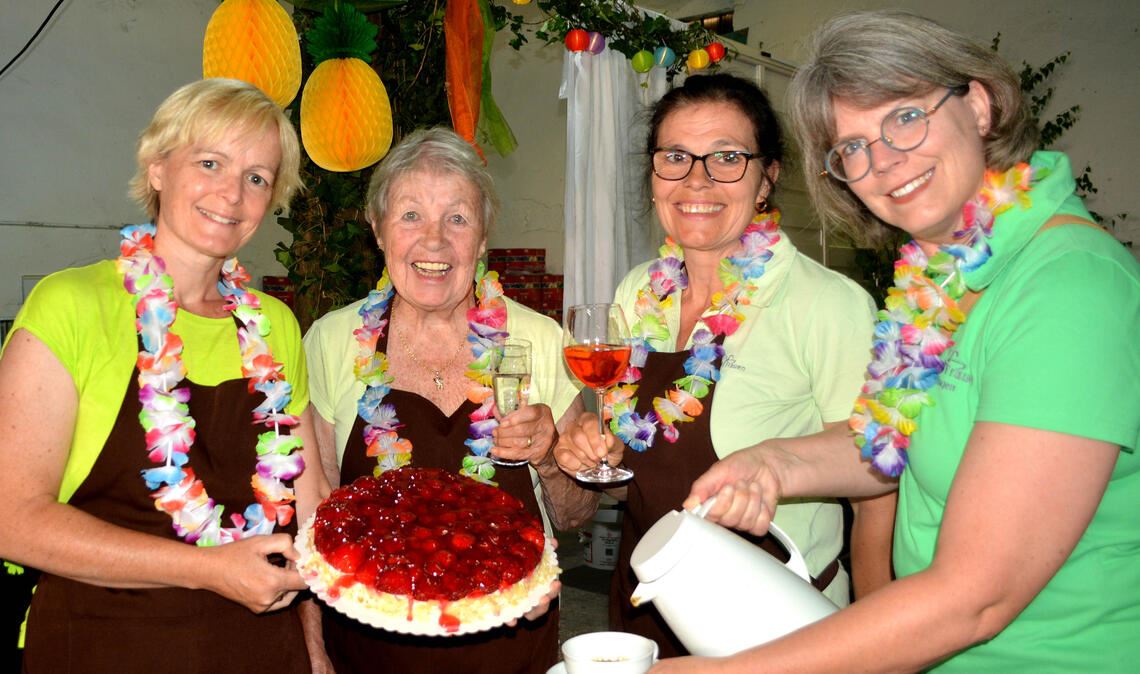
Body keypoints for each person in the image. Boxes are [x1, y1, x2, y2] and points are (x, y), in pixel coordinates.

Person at [665, 10, 1140, 673]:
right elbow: (887, 447)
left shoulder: (1068, 288)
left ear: (977, 105)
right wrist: (773, 463)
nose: (881, 161)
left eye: (904, 117)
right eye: (851, 147)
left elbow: (976, 598)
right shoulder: (949, 274)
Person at [0, 78, 329, 672]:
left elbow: (314, 518)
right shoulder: (71, 305)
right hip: (105, 643)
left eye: (257, 177)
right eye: (210, 162)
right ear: (157, 168)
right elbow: (12, 519)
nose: (232, 194)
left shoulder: (275, 326)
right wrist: (210, 570)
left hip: (259, 651)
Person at [553, 73, 880, 657]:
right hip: (645, 603)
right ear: (654, 176)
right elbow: (626, 438)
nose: (696, 180)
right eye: (675, 157)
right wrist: (588, 437)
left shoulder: (828, 303)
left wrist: (877, 640)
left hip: (773, 625)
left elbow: (879, 468)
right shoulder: (638, 293)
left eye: (727, 157)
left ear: (767, 177)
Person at [301, 126, 593, 674]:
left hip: (509, 648)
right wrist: (313, 649)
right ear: (379, 230)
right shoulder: (332, 341)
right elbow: (312, 519)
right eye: (410, 214)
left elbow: (577, 515)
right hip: (367, 651)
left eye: (457, 218)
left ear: (482, 240)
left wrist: (550, 458)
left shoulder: (541, 340)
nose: (433, 242)